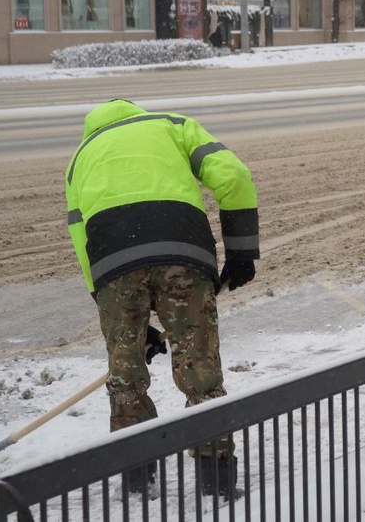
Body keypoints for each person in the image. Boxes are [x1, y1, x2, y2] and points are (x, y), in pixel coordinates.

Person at [65, 99, 260, 498]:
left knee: (126, 377)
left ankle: (136, 479)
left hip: (112, 267)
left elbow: (81, 241)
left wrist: (114, 309)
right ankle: (217, 480)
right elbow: (233, 174)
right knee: (200, 368)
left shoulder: (80, 158)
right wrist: (241, 252)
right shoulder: (172, 124)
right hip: (182, 253)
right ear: (136, 113)